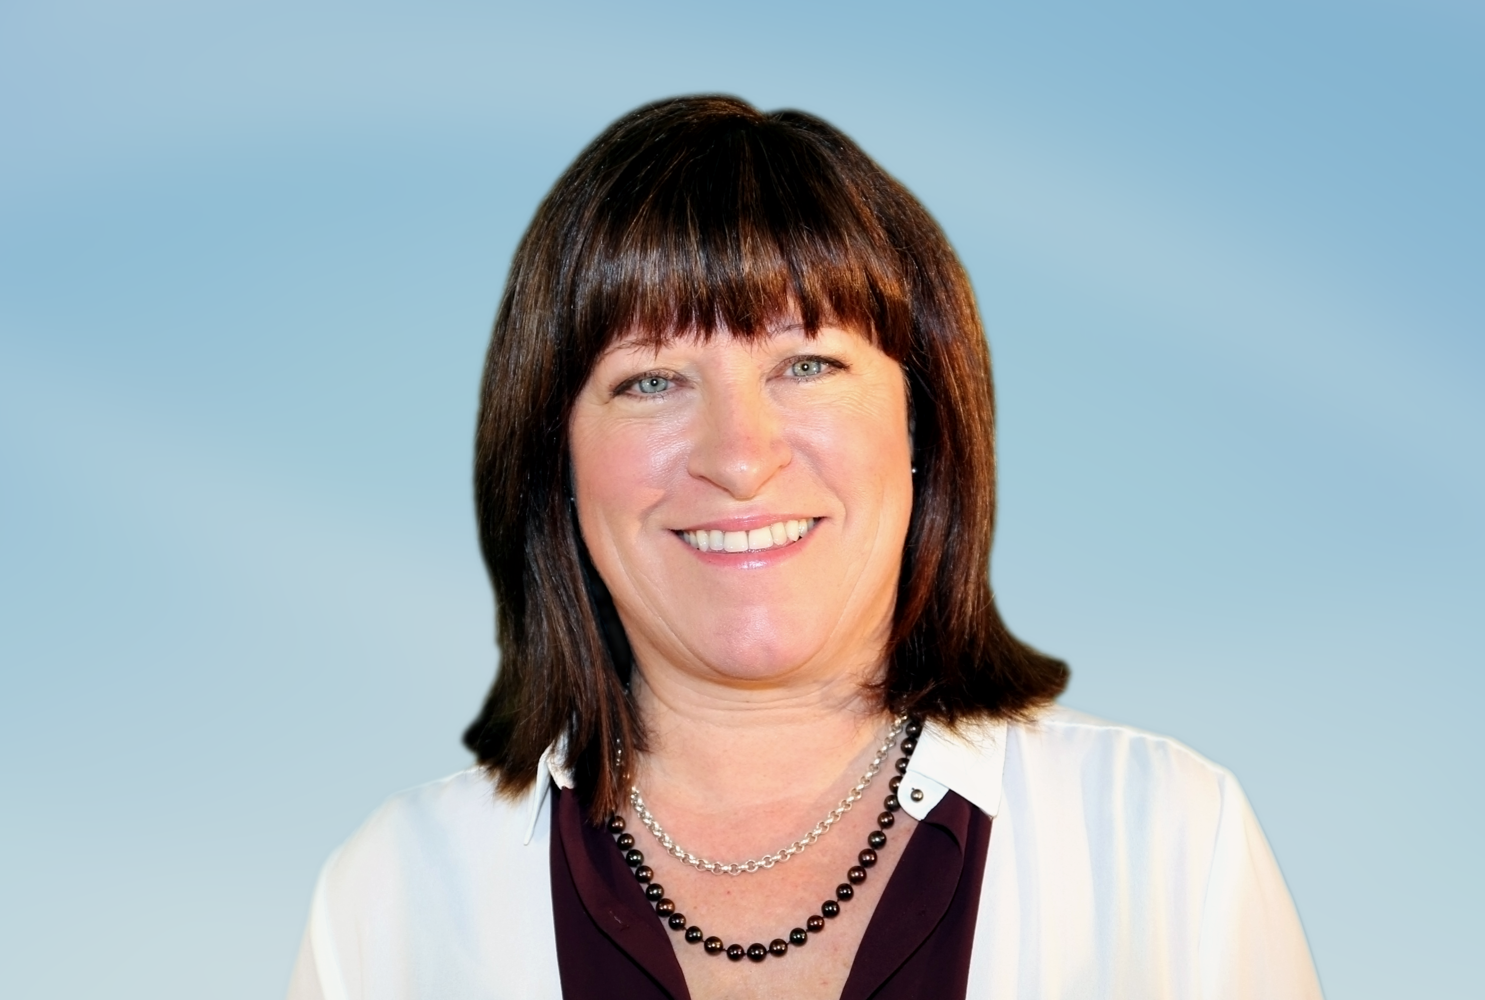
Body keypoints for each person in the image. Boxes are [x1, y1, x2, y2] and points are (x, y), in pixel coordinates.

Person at [286, 95, 1322, 1000]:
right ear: (553, 459)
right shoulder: (392, 899)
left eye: (807, 364)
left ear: (923, 426)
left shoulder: (1166, 845)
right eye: (649, 380)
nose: (739, 457)